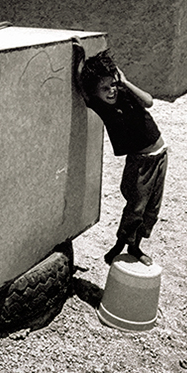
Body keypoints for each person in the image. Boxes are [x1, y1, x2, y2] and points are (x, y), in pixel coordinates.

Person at [73, 39, 167, 266]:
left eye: (112, 84)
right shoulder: (99, 105)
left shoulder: (125, 93)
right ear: (95, 92)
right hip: (140, 162)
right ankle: (123, 245)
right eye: (104, 89)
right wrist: (79, 57)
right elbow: (79, 85)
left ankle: (135, 245)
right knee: (136, 206)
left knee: (152, 208)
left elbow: (149, 101)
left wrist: (125, 82)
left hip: (161, 155)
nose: (111, 90)